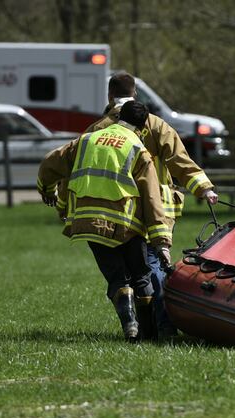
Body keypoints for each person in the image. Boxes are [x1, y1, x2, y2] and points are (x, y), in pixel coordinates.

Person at [72, 71, 218, 340]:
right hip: (156, 210)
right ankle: (162, 327)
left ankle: (149, 328)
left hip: (116, 212)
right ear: (136, 94)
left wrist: (62, 200)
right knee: (152, 267)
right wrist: (204, 188)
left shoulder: (98, 128)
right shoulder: (156, 124)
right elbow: (179, 160)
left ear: (109, 95)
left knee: (129, 275)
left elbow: (74, 162)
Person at [37, 101, 171, 342]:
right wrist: (161, 241)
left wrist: (46, 189)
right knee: (141, 276)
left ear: (119, 118)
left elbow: (50, 163)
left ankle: (130, 324)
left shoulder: (87, 140)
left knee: (118, 278)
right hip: (125, 224)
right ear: (141, 129)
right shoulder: (138, 149)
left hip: (89, 221)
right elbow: (152, 198)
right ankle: (149, 336)